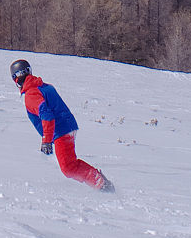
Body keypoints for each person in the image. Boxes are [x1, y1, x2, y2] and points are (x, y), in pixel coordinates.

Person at [9, 58, 115, 192]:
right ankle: (99, 182)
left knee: (68, 167)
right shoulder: (44, 86)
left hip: (60, 131)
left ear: (16, 79)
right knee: (69, 165)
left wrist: (46, 141)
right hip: (67, 126)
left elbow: (47, 116)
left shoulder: (31, 93)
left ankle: (101, 183)